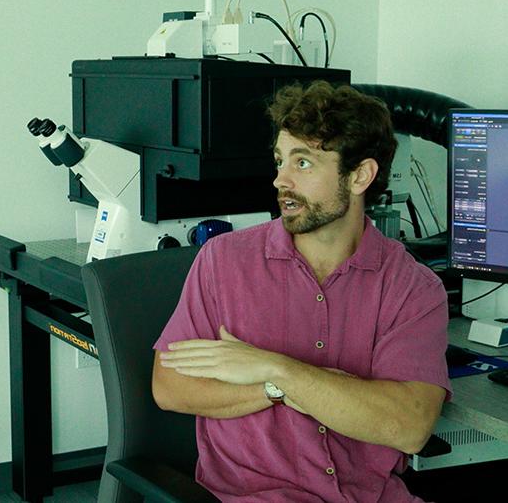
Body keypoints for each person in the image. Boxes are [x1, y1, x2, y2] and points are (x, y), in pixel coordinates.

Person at [153, 81, 450, 502]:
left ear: (360, 175)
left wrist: (278, 369)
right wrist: (278, 389)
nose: (280, 180)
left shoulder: (413, 288)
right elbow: (170, 388)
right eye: (280, 160)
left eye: (303, 163)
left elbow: (409, 428)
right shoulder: (223, 261)